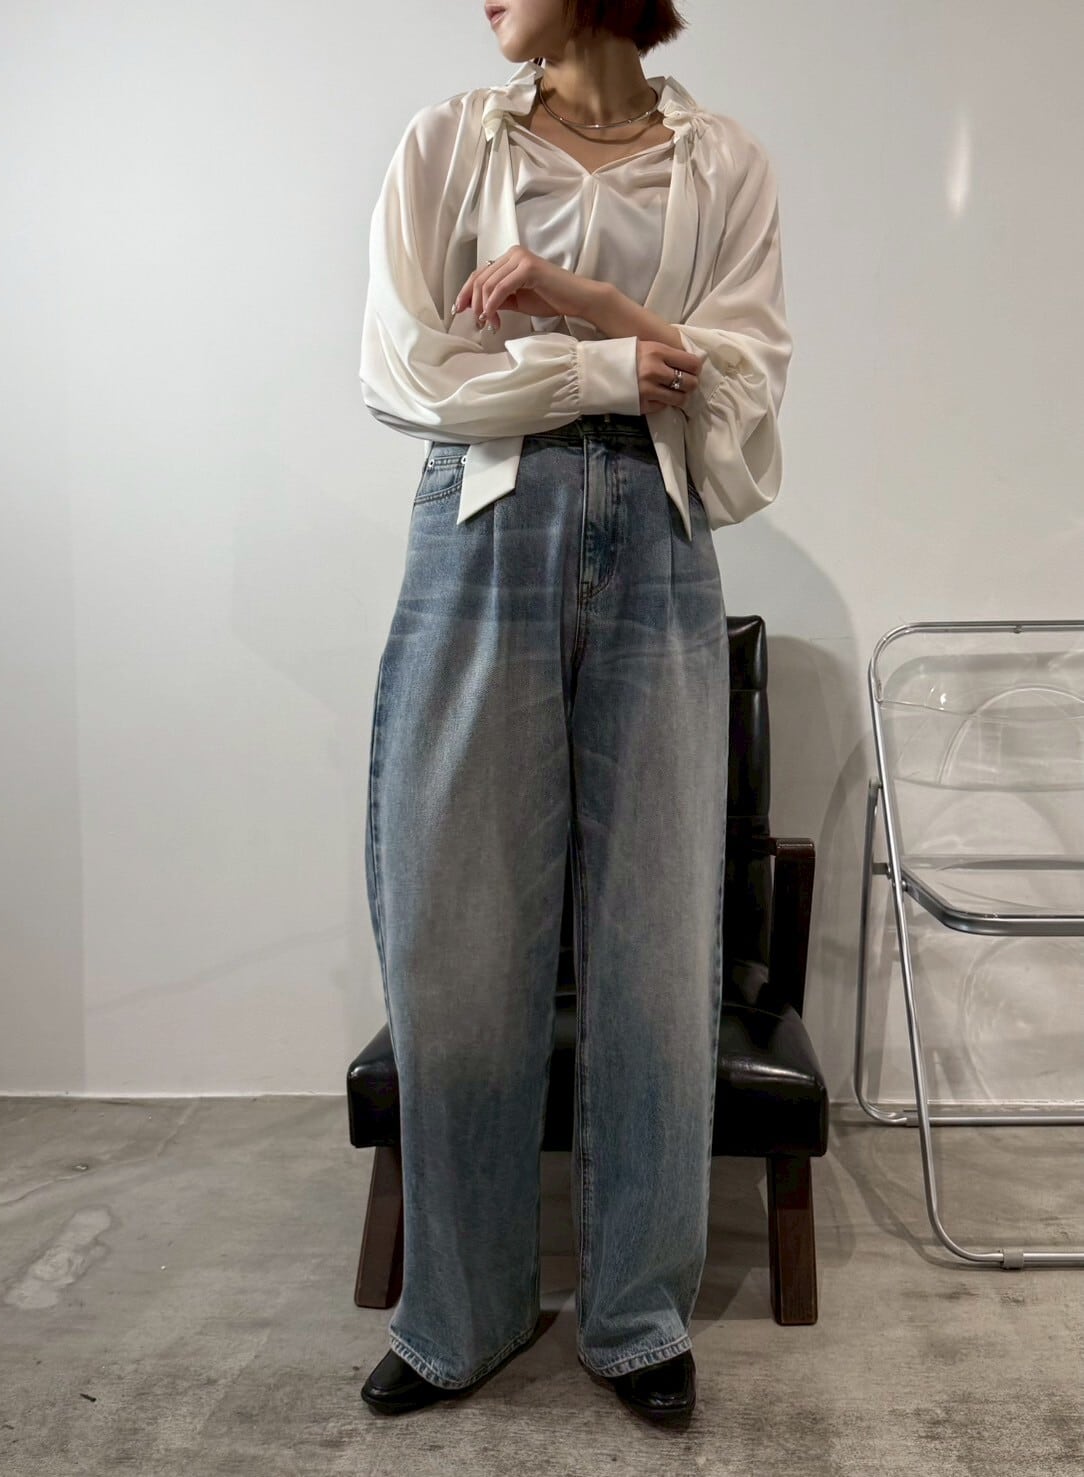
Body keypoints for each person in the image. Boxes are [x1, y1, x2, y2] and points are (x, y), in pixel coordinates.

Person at [358, 0, 792, 1424]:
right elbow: (408, 369)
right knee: (457, 920)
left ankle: (639, 1312)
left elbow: (742, 394)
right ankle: (460, 1311)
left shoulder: (723, 162)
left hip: (661, 534)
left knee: (659, 935)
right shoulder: (448, 144)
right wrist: (612, 363)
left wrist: (580, 300)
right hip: (484, 524)